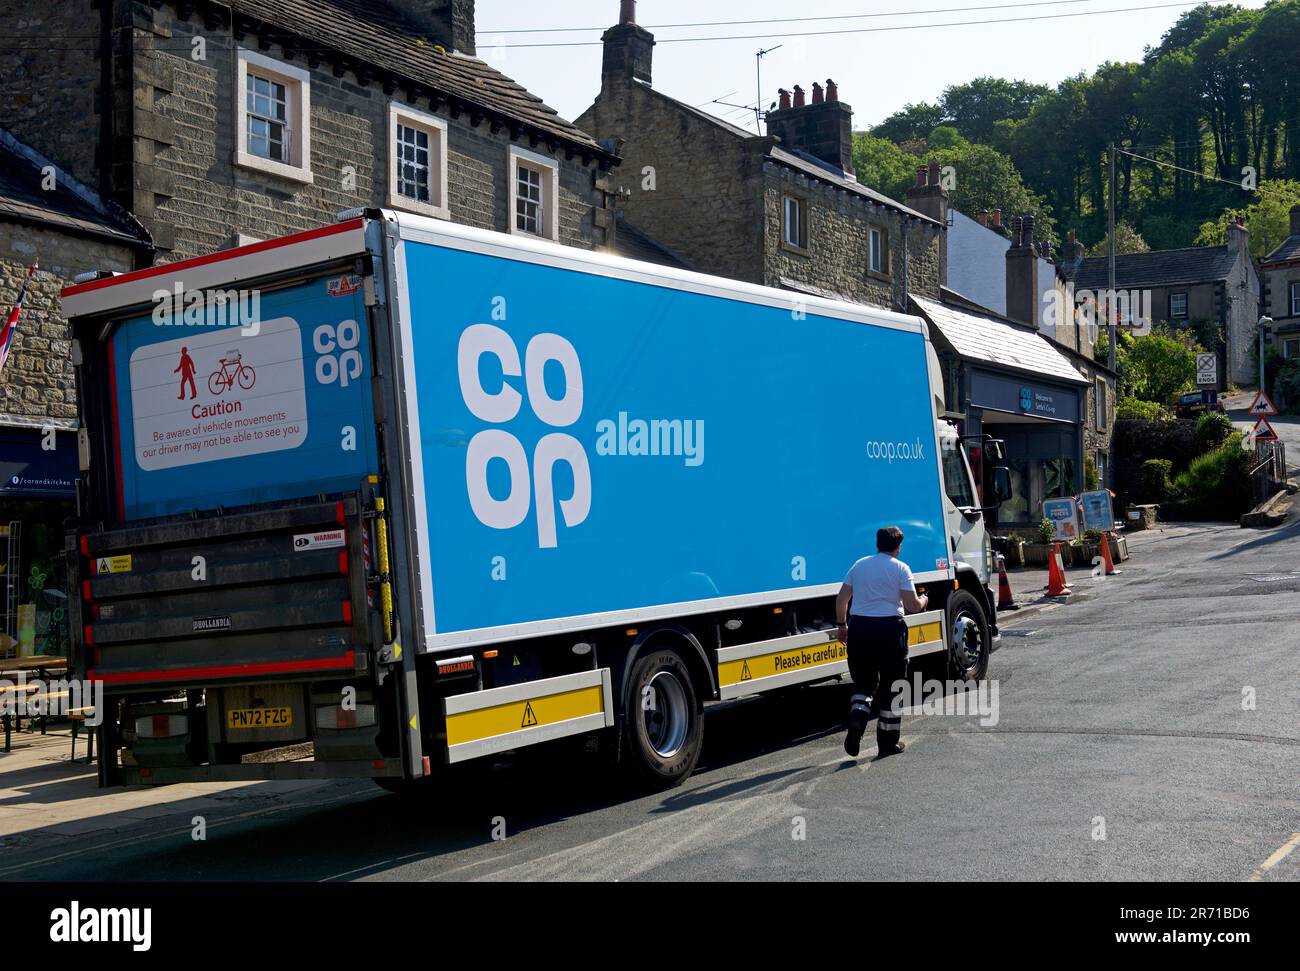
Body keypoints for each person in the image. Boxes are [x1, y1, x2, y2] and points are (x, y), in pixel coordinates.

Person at [836, 526, 928, 758]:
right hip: (890, 631)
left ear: (877, 544)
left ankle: (857, 718)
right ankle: (887, 744)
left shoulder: (859, 565)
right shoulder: (901, 568)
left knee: (863, 683)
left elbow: (842, 599)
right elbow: (912, 605)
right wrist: (925, 599)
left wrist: (842, 626)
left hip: (860, 629)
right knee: (892, 687)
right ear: (898, 547)